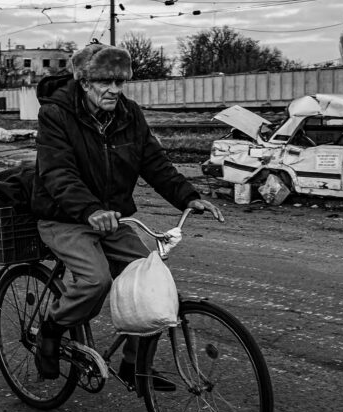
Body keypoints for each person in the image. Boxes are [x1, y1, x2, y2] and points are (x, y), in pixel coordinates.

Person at [31, 42, 224, 389]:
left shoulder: (128, 113)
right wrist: (89, 210)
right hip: (64, 217)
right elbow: (58, 173)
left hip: (111, 218)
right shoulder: (56, 114)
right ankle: (51, 329)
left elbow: (153, 162)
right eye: (104, 81)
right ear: (84, 81)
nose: (113, 90)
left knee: (150, 286)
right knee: (96, 281)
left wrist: (188, 197)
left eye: (119, 83)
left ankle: (135, 365)